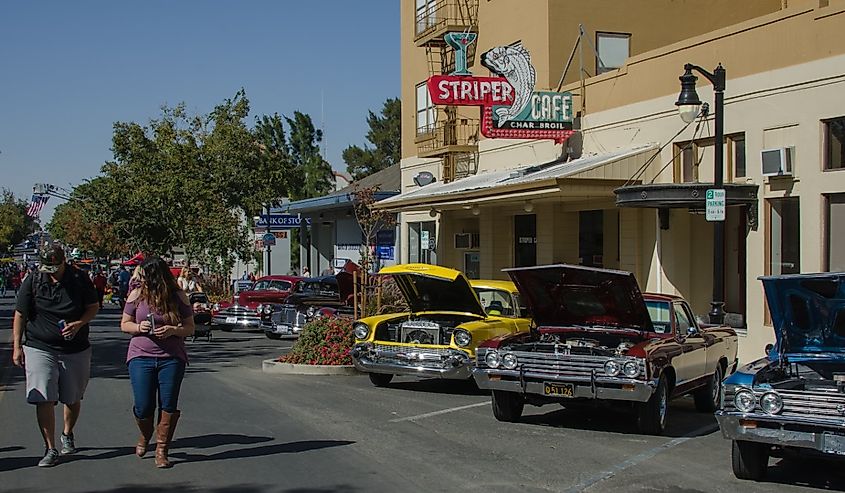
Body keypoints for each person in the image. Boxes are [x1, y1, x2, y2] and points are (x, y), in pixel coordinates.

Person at [12, 245, 99, 467]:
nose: (49, 271)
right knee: (44, 396)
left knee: (72, 397)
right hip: (39, 345)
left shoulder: (79, 279)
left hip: (75, 348)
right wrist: (17, 346)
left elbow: (93, 306)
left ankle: (67, 433)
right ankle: (50, 448)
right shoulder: (33, 280)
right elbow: (20, 313)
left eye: (54, 267)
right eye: (46, 267)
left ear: (63, 263)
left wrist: (79, 323)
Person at [120, 256, 195, 469]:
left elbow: (190, 328)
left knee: (168, 404)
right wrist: (138, 327)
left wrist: (173, 330)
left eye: (146, 275)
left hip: (171, 357)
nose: (141, 278)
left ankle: (162, 450)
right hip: (141, 355)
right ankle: (145, 435)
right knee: (143, 406)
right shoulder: (136, 295)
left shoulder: (178, 296)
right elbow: (124, 324)